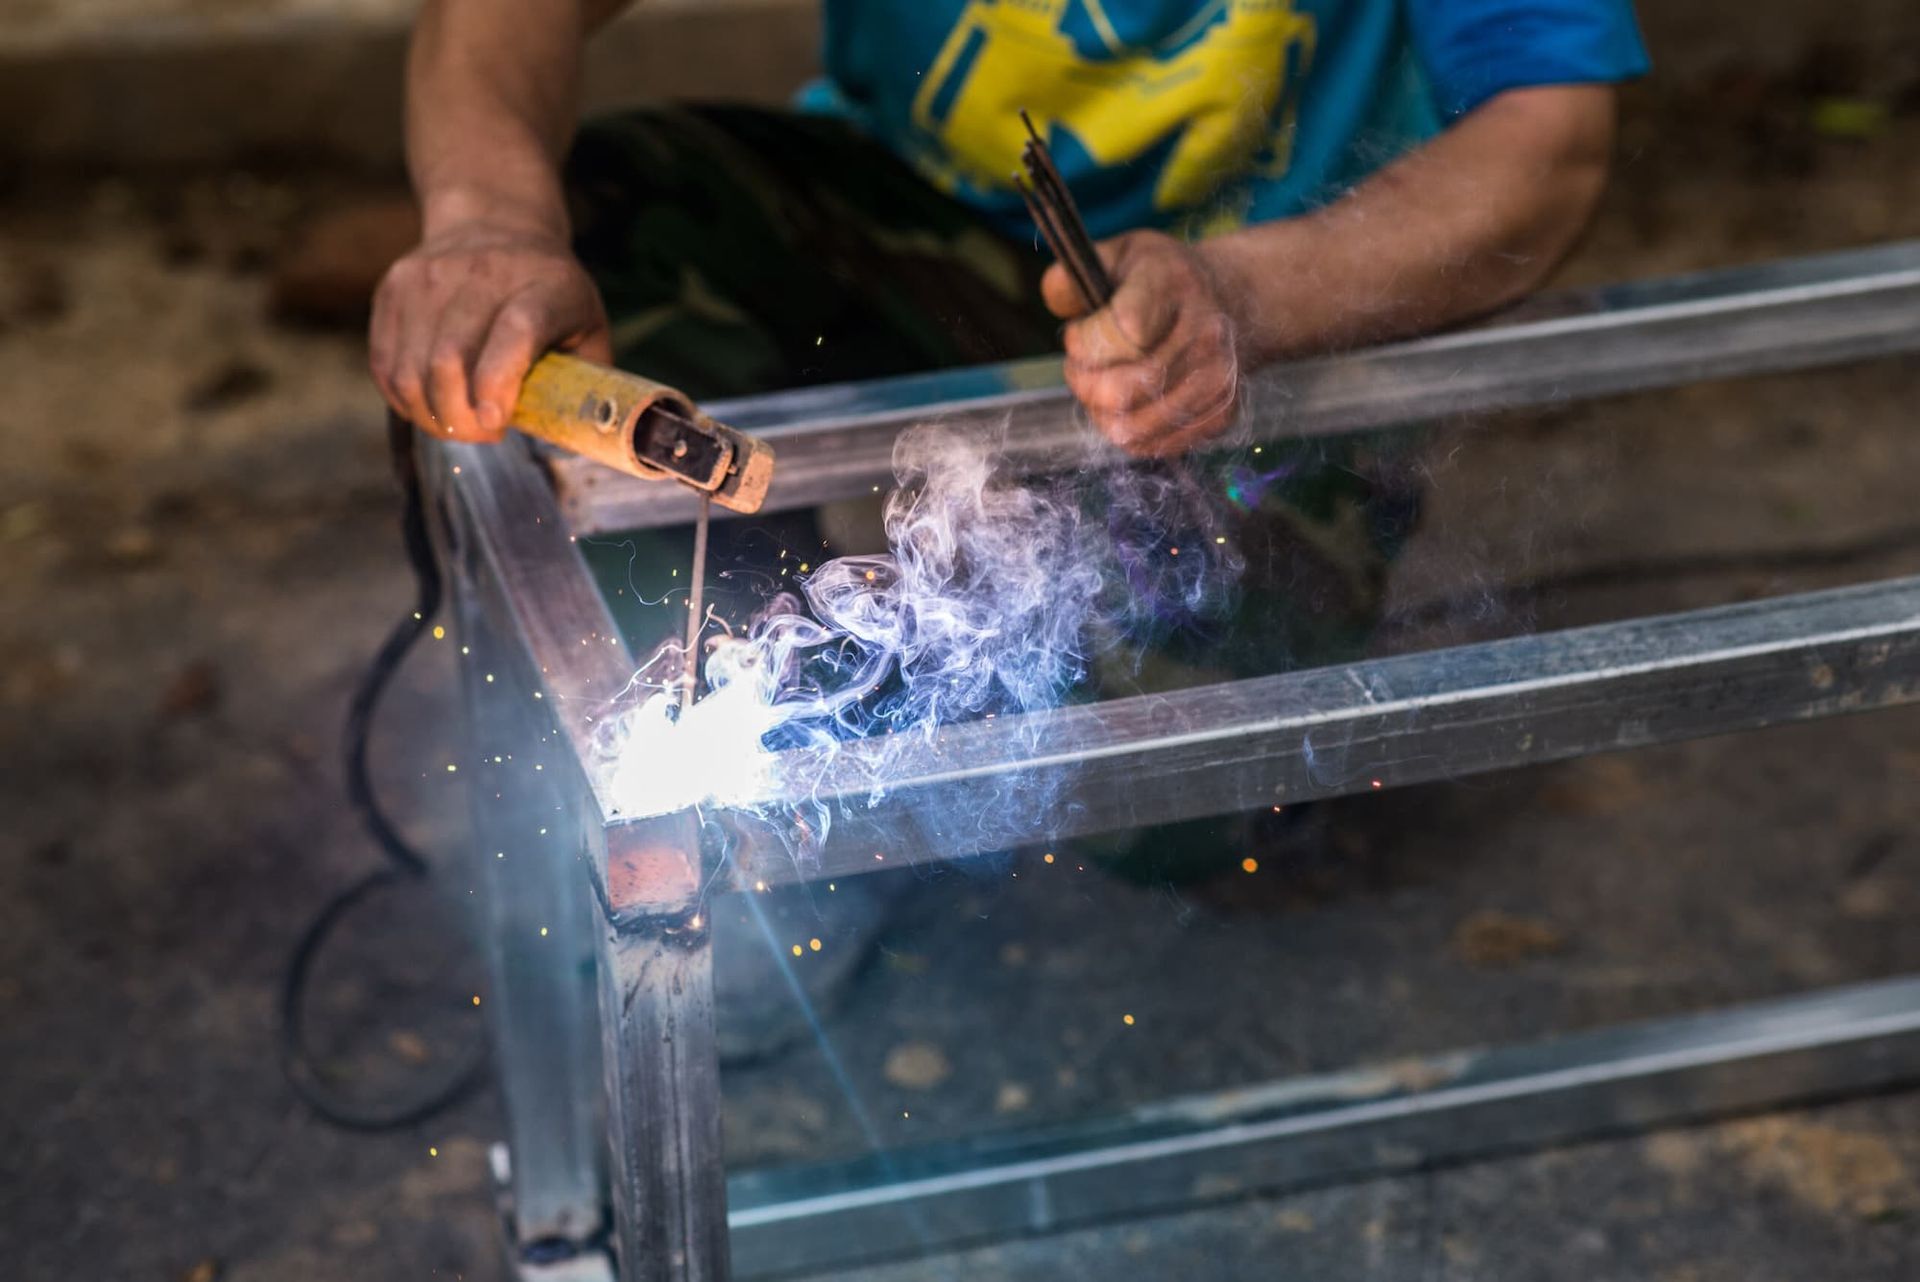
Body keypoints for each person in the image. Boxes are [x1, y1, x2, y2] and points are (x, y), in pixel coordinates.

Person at [371, 0, 1647, 1057]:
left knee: (1173, 800)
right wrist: (489, 220)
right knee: (595, 232)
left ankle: (961, 676)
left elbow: (1552, 141)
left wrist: (1246, 296)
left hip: (1260, 311)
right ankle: (749, 809)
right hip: (909, 229)